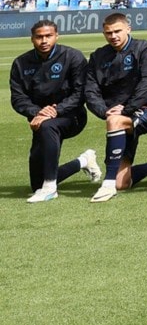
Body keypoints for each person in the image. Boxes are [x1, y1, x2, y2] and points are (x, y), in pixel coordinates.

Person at [85, 11, 147, 201]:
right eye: (108, 33)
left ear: (128, 28)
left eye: (117, 31)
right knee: (123, 183)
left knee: (115, 121)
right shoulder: (98, 56)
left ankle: (107, 185)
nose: (113, 36)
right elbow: (90, 90)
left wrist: (126, 109)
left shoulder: (144, 48)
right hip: (115, 116)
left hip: (145, 109)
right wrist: (103, 110)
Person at [11, 18, 98, 203]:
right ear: (32, 39)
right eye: (39, 37)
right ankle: (83, 161)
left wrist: (55, 111)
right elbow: (18, 98)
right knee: (36, 185)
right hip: (40, 120)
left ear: (57, 36)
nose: (44, 41)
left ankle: (50, 187)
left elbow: (80, 93)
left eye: (48, 36)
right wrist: (39, 112)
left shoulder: (73, 57)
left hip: (72, 116)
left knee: (49, 126)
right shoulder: (20, 63)